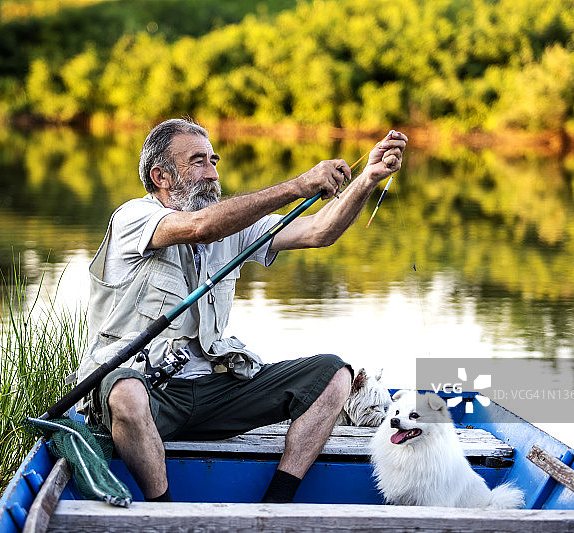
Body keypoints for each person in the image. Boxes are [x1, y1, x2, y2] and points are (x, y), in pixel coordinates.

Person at [76, 118, 407, 503]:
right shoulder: (134, 217)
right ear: (161, 176)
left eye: (213, 160)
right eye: (198, 162)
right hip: (147, 393)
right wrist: (300, 185)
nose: (212, 172)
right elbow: (201, 227)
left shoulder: (231, 225)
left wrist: (368, 178)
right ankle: (162, 510)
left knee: (334, 375)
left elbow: (319, 231)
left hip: (212, 390)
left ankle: (276, 504)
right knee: (126, 393)